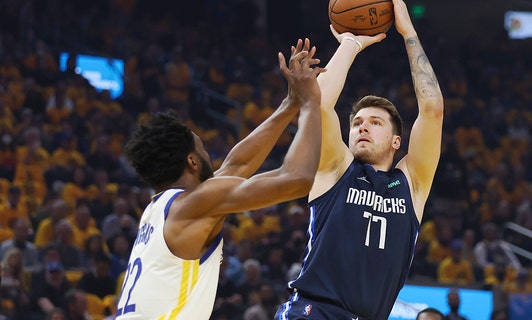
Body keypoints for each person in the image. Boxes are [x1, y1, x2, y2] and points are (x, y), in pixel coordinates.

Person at [115, 39, 324, 319]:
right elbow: (297, 178)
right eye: (203, 149)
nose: (211, 157)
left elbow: (236, 166)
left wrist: (290, 104)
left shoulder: (159, 209)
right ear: (191, 161)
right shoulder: (193, 205)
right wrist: (311, 102)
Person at [275, 1, 444, 319]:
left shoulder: (411, 184)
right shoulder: (336, 169)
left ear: (397, 142)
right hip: (314, 311)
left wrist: (408, 33)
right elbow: (319, 105)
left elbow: (433, 110)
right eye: (356, 122)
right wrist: (351, 43)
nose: (362, 126)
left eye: (375, 122)